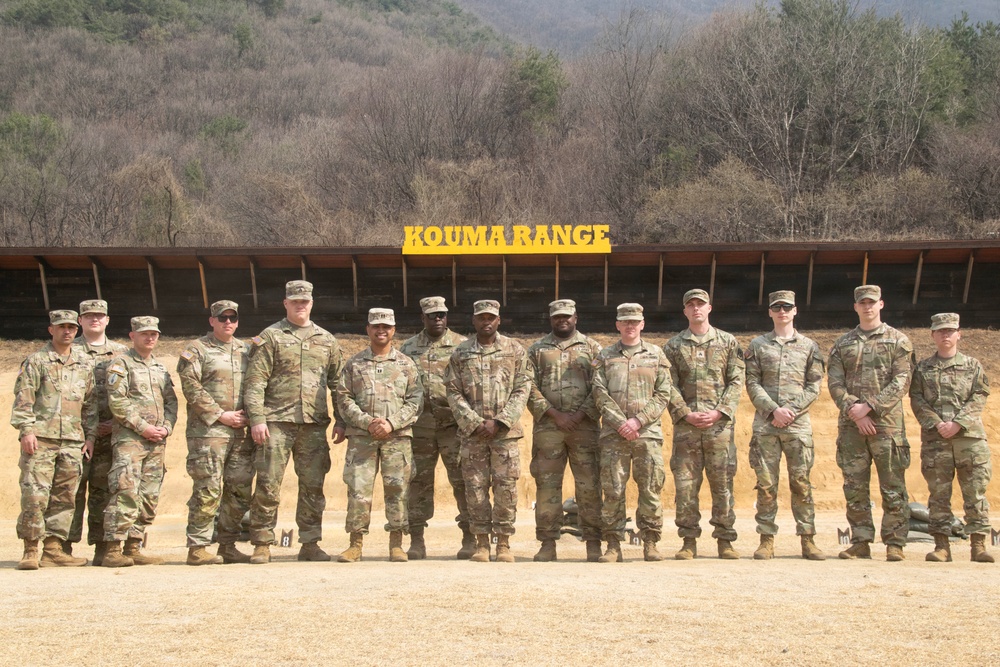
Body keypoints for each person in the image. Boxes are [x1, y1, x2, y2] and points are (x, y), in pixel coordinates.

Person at [244, 280, 344, 565]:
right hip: (275, 422)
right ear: (285, 303)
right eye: (295, 301)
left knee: (313, 486)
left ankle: (310, 543)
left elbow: (338, 385)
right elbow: (255, 382)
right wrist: (257, 419)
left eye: (305, 301)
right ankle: (262, 542)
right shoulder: (270, 337)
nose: (301, 305)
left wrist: (341, 420)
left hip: (313, 425)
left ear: (312, 304)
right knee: (268, 484)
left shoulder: (326, 340)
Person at [828, 284, 914, 561]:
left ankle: (895, 543)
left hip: (887, 426)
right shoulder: (843, 343)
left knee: (893, 485)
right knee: (854, 486)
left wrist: (870, 408)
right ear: (855, 307)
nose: (867, 307)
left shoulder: (898, 340)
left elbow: (902, 380)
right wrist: (855, 409)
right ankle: (861, 540)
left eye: (872, 302)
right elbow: (834, 382)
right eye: (862, 303)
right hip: (852, 427)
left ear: (881, 304)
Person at [445, 299, 530, 563]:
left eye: (491, 317)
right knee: (475, 489)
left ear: (499, 320)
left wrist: (501, 421)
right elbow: (453, 390)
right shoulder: (461, 353)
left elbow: (522, 387)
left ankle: (503, 543)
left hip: (505, 435)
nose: (486, 322)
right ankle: (481, 543)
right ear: (474, 321)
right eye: (481, 317)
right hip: (473, 436)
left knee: (506, 489)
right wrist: (473, 422)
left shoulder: (515, 351)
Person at [11, 310, 97, 569]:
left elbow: (90, 405)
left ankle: (53, 549)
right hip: (41, 439)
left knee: (65, 497)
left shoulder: (83, 364)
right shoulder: (36, 361)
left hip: (72, 441)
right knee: (35, 495)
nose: (67, 331)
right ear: (51, 329)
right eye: (61, 327)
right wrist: (26, 431)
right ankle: (30, 549)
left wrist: (90, 437)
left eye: (71, 327)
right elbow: (24, 400)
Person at [592, 303, 677, 563]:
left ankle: (650, 543)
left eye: (635, 321)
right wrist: (621, 423)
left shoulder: (656, 354)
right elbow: (599, 393)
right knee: (613, 490)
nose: (630, 325)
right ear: (617, 325)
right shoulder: (605, 356)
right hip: (614, 436)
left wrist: (638, 421)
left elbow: (664, 393)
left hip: (647, 435)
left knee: (650, 489)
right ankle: (613, 545)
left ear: (642, 324)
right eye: (625, 321)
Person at [663, 289, 745, 560]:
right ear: (685, 311)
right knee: (686, 486)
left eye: (701, 304)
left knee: (722, 484)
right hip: (687, 429)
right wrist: (685, 413)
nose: (696, 309)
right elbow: (667, 385)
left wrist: (720, 411)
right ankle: (688, 541)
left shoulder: (728, 342)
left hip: (719, 428)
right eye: (691, 305)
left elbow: (736, 380)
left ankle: (725, 540)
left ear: (710, 308)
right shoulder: (673, 346)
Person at [744, 290, 826, 560]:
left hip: (797, 426)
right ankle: (766, 539)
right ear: (769, 312)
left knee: (801, 483)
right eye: (776, 307)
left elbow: (815, 384)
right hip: (766, 426)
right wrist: (773, 410)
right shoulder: (757, 346)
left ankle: (808, 539)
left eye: (787, 307)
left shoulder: (810, 347)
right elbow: (752, 382)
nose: (782, 311)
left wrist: (790, 410)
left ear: (795, 310)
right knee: (766, 485)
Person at [336, 308, 422, 563]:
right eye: (376, 326)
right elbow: (343, 398)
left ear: (393, 330)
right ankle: (355, 544)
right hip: (362, 439)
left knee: (397, 489)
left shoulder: (407, 364)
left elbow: (416, 400)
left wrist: (392, 423)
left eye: (386, 327)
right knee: (358, 490)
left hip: (397, 438)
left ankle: (396, 544)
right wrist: (367, 422)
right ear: (368, 329)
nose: (380, 330)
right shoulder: (354, 364)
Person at [910, 312, 993, 563]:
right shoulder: (923, 368)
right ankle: (941, 546)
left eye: (950, 330)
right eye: (940, 331)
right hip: (936, 441)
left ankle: (978, 545)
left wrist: (958, 423)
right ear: (933, 335)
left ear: (959, 334)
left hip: (969, 440)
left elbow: (979, 395)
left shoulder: (973, 365)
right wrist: (937, 424)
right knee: (938, 495)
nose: (945, 335)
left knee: (975, 493)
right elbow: (917, 399)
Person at [176, 300, 253, 566]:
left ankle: (228, 544)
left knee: (239, 490)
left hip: (241, 434)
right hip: (209, 432)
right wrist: (221, 415)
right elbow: (191, 387)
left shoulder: (247, 350)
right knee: (208, 489)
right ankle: (197, 547)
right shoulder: (197, 349)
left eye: (232, 318)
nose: (228, 323)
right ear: (212, 321)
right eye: (222, 318)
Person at [527, 299, 604, 562]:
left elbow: (601, 387)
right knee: (547, 487)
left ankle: (593, 542)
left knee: (590, 486)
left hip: (585, 429)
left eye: (567, 316)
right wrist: (555, 414)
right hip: (549, 428)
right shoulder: (537, 349)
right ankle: (547, 543)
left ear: (575, 317)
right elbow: (528, 387)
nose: (563, 320)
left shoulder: (593, 348)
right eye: (557, 317)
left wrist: (581, 414)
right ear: (550, 319)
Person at [399, 296, 472, 560]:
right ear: (423, 318)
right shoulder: (407, 349)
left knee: (463, 481)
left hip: (455, 427)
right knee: (418, 483)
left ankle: (470, 537)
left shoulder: (463, 346)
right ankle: (417, 540)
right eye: (432, 315)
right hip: (421, 428)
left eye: (441, 314)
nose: (438, 319)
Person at [102, 316, 178, 568]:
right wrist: (144, 428)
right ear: (132, 336)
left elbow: (171, 402)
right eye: (144, 333)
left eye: (154, 334)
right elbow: (118, 402)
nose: (150, 338)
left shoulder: (159, 367)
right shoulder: (120, 364)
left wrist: (166, 428)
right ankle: (113, 548)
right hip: (131, 440)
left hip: (157, 442)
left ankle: (134, 545)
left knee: (149, 494)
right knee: (125, 490)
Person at [68, 299, 128, 566]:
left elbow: (130, 396)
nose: (94, 319)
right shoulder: (66, 349)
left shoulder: (122, 353)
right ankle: (61, 547)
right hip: (73, 435)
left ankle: (103, 549)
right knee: (69, 492)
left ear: (107, 320)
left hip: (111, 435)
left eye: (99, 315)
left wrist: (114, 425)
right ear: (80, 320)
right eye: (88, 315)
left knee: (104, 493)